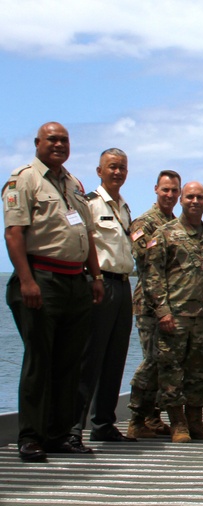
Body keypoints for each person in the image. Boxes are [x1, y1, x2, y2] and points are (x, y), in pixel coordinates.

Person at [4, 122, 104, 462]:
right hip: (41, 278)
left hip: (76, 281)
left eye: (64, 140)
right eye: (52, 139)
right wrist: (27, 280)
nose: (59, 145)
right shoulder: (24, 179)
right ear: (37, 143)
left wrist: (96, 276)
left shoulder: (73, 184)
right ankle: (30, 436)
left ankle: (59, 434)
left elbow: (87, 234)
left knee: (69, 362)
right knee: (39, 361)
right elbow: (14, 234)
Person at [145, 181, 203, 443]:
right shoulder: (165, 233)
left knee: (200, 373)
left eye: (200, 197)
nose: (194, 201)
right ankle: (177, 424)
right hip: (174, 317)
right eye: (190, 196)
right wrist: (162, 312)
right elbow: (153, 276)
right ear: (181, 200)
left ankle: (196, 422)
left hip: (202, 317)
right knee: (171, 372)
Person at [74, 148, 135, 444]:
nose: (117, 172)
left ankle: (103, 424)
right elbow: (82, 243)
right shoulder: (89, 205)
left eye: (122, 167)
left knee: (115, 358)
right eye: (112, 167)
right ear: (99, 171)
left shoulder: (124, 207)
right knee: (90, 357)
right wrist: (94, 278)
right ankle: (73, 428)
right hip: (100, 283)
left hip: (123, 285)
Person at [125, 170, 181, 439]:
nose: (169, 195)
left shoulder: (176, 222)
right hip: (149, 303)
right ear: (156, 190)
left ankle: (153, 417)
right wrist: (160, 307)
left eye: (174, 191)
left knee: (166, 361)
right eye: (165, 190)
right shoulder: (145, 223)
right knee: (152, 360)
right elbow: (146, 265)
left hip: (172, 303)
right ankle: (135, 417)